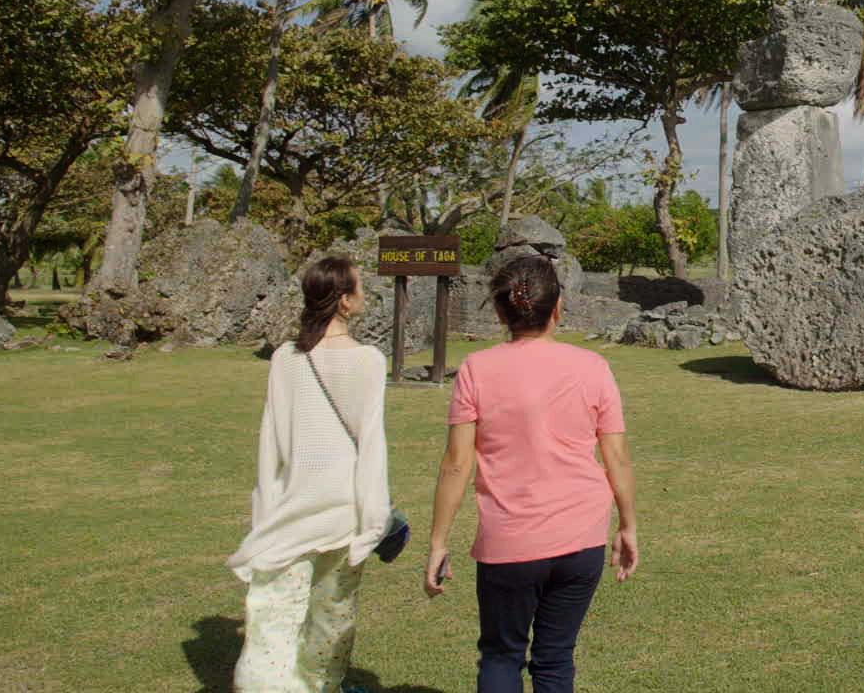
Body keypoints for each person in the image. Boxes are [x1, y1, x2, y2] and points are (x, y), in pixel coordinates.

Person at [424, 254, 639, 693]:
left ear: (500, 312)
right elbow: (616, 456)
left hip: (510, 541)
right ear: (558, 307)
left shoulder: (477, 369)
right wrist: (628, 525)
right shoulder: (593, 367)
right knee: (556, 656)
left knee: (502, 656)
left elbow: (457, 463)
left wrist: (438, 542)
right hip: (581, 539)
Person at [228, 256, 390, 693]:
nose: (364, 294)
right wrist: (374, 520)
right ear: (344, 301)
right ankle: (321, 685)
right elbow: (371, 447)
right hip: (344, 509)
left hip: (293, 506)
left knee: (274, 617)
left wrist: (265, 510)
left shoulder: (287, 358)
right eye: (358, 287)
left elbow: (272, 441)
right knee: (332, 616)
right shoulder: (368, 361)